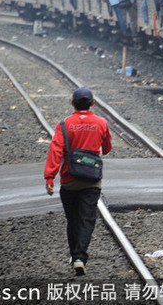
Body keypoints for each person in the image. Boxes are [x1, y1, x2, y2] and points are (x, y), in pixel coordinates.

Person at [44, 87, 112, 276]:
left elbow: (56, 151)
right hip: (92, 181)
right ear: (92, 103)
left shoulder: (64, 124)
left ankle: (76, 256)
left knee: (72, 220)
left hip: (69, 180)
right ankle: (79, 257)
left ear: (73, 103)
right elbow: (106, 148)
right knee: (87, 219)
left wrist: (50, 177)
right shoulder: (101, 123)